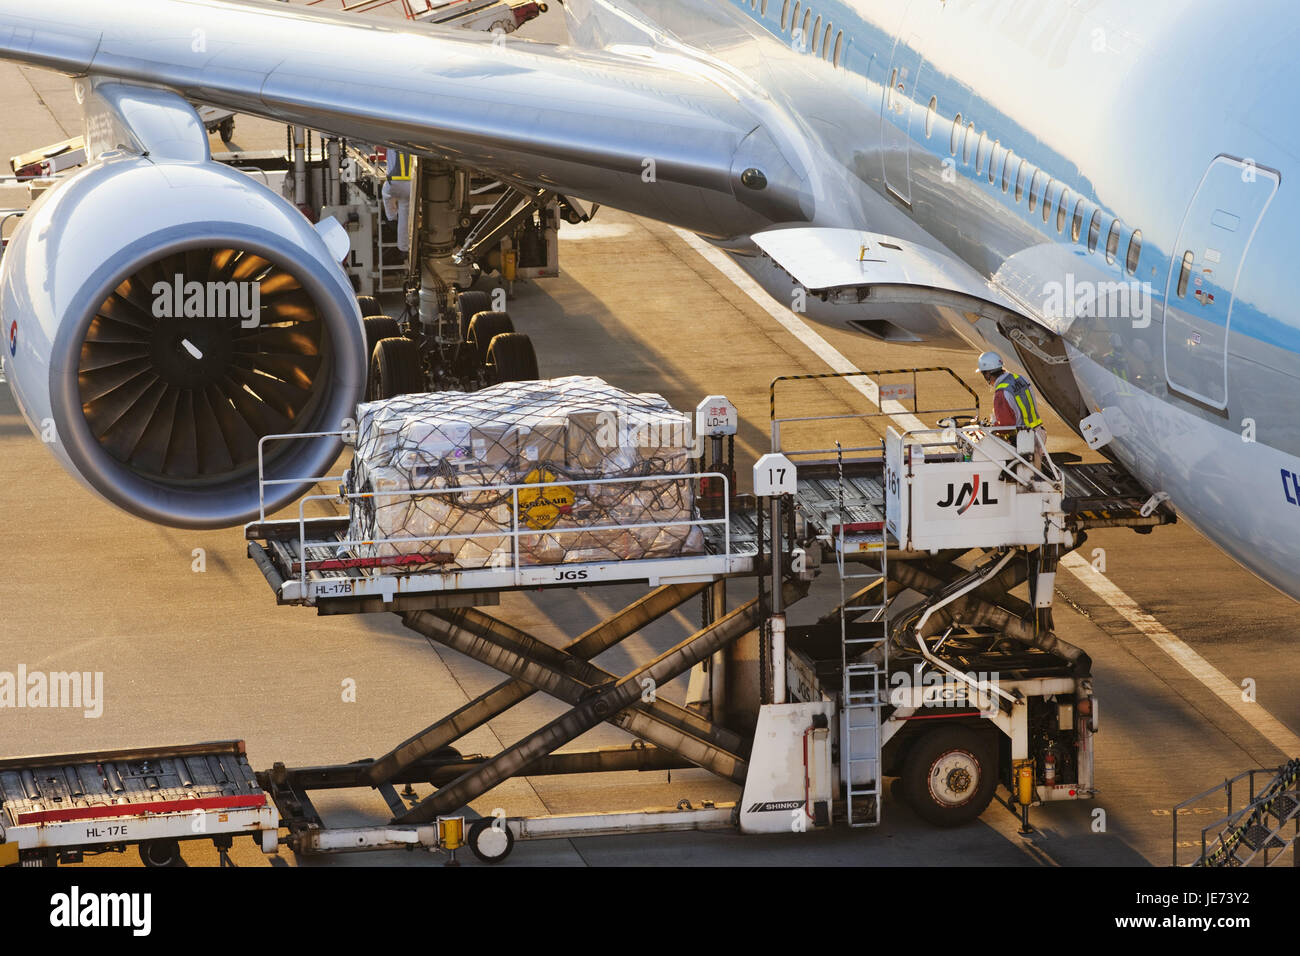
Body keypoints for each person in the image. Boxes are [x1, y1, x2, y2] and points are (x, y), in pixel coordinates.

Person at [977, 351, 1045, 468]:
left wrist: (991, 429)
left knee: (1025, 477)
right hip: (1038, 433)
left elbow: (1006, 426)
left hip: (1022, 442)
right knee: (1037, 473)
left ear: (988, 374)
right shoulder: (1020, 379)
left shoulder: (1001, 393)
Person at [381, 148, 413, 262]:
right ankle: (403, 247)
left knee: (385, 194)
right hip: (409, 185)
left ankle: (391, 217)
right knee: (405, 211)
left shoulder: (391, 144)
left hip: (394, 183)